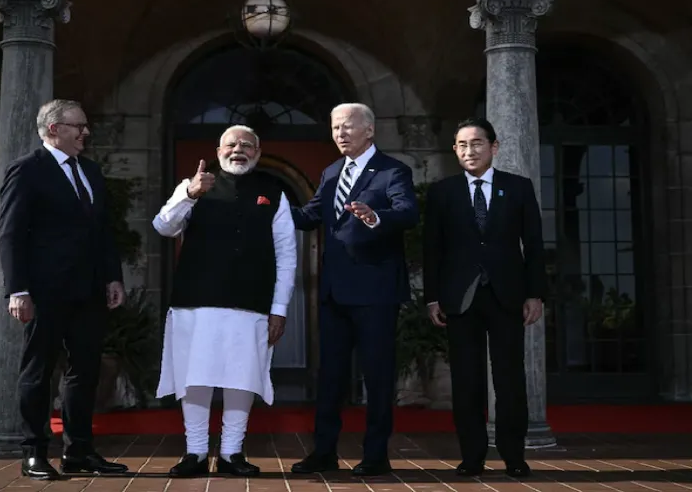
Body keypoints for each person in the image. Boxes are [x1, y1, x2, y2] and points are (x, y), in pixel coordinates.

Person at [153, 125, 297, 478]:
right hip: (195, 302)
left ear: (258, 153)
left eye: (247, 145)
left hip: (251, 304)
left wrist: (279, 308)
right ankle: (196, 452)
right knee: (196, 377)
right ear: (218, 151)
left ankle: (232, 452)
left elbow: (287, 253)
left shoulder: (273, 192)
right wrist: (188, 193)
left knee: (241, 379)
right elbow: (162, 226)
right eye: (231, 145)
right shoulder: (196, 186)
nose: (239, 150)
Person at [0, 99, 128, 480]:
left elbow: (103, 230)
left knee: (84, 370)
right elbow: (10, 234)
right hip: (43, 291)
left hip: (89, 290)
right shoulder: (27, 170)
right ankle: (34, 453)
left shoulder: (90, 170)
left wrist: (113, 277)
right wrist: (17, 289)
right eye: (78, 126)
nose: (85, 132)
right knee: (38, 372)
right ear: (54, 128)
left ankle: (79, 451)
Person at [289, 103, 419, 476]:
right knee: (330, 376)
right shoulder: (332, 172)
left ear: (370, 130)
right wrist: (268, 209)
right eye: (334, 128)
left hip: (376, 291)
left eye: (347, 127)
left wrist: (377, 217)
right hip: (334, 292)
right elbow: (310, 214)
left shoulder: (393, 171)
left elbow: (408, 212)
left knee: (377, 376)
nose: (340, 134)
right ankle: (324, 452)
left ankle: (376, 456)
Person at [422, 117, 547, 478]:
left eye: (476, 143)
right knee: (466, 381)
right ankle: (472, 457)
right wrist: (433, 298)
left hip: (507, 296)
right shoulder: (442, 192)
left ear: (494, 147)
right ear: (455, 151)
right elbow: (433, 250)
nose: (469, 150)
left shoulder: (518, 187)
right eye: (461, 145)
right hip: (459, 300)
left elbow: (534, 245)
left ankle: (514, 456)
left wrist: (535, 293)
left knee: (510, 379)